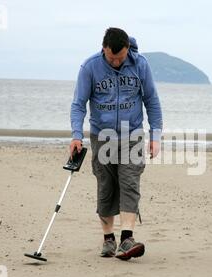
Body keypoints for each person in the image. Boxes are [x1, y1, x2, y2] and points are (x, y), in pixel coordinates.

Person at [70, 27, 163, 260]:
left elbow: (152, 100)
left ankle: (127, 238)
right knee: (106, 186)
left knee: (130, 183)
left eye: (120, 57)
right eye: (112, 58)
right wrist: (76, 136)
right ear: (104, 49)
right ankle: (108, 239)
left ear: (127, 50)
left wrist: (156, 136)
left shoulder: (140, 64)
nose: (116, 62)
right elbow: (79, 104)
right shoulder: (90, 67)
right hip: (102, 135)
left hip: (132, 134)